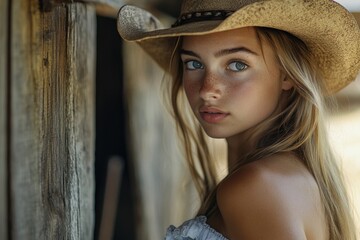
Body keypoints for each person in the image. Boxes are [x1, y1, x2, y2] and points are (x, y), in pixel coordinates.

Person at [117, 0, 360, 239]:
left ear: (288, 74)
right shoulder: (292, 177)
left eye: (236, 64)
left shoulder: (255, 187)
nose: (207, 89)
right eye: (193, 63)